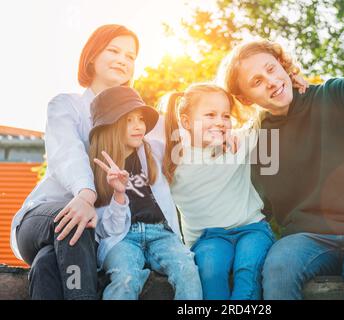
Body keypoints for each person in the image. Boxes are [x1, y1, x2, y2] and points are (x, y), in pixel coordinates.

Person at [218, 20, 344, 299]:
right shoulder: (255, 141)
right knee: (278, 268)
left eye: (271, 68)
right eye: (257, 82)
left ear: (282, 64)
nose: (272, 82)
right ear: (246, 99)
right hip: (307, 239)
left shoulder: (335, 97)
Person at [10, 24, 139, 299]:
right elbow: (67, 152)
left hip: (86, 239)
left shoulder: (133, 124)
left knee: (47, 265)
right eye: (114, 50)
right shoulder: (65, 105)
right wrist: (85, 194)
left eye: (130, 56)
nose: (123, 60)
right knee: (75, 221)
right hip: (43, 220)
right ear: (92, 56)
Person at [159, 83, 275, 300]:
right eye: (210, 115)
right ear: (186, 122)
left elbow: (267, 111)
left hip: (252, 229)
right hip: (207, 238)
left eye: (225, 116)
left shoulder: (237, 143)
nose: (220, 123)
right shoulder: (171, 159)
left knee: (247, 271)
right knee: (210, 273)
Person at [89, 86, 202, 300]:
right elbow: (110, 230)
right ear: (111, 126)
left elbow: (189, 140)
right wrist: (119, 195)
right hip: (123, 239)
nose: (138, 126)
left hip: (161, 233)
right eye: (128, 120)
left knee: (187, 269)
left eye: (140, 119)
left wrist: (228, 138)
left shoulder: (154, 150)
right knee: (125, 279)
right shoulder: (95, 169)